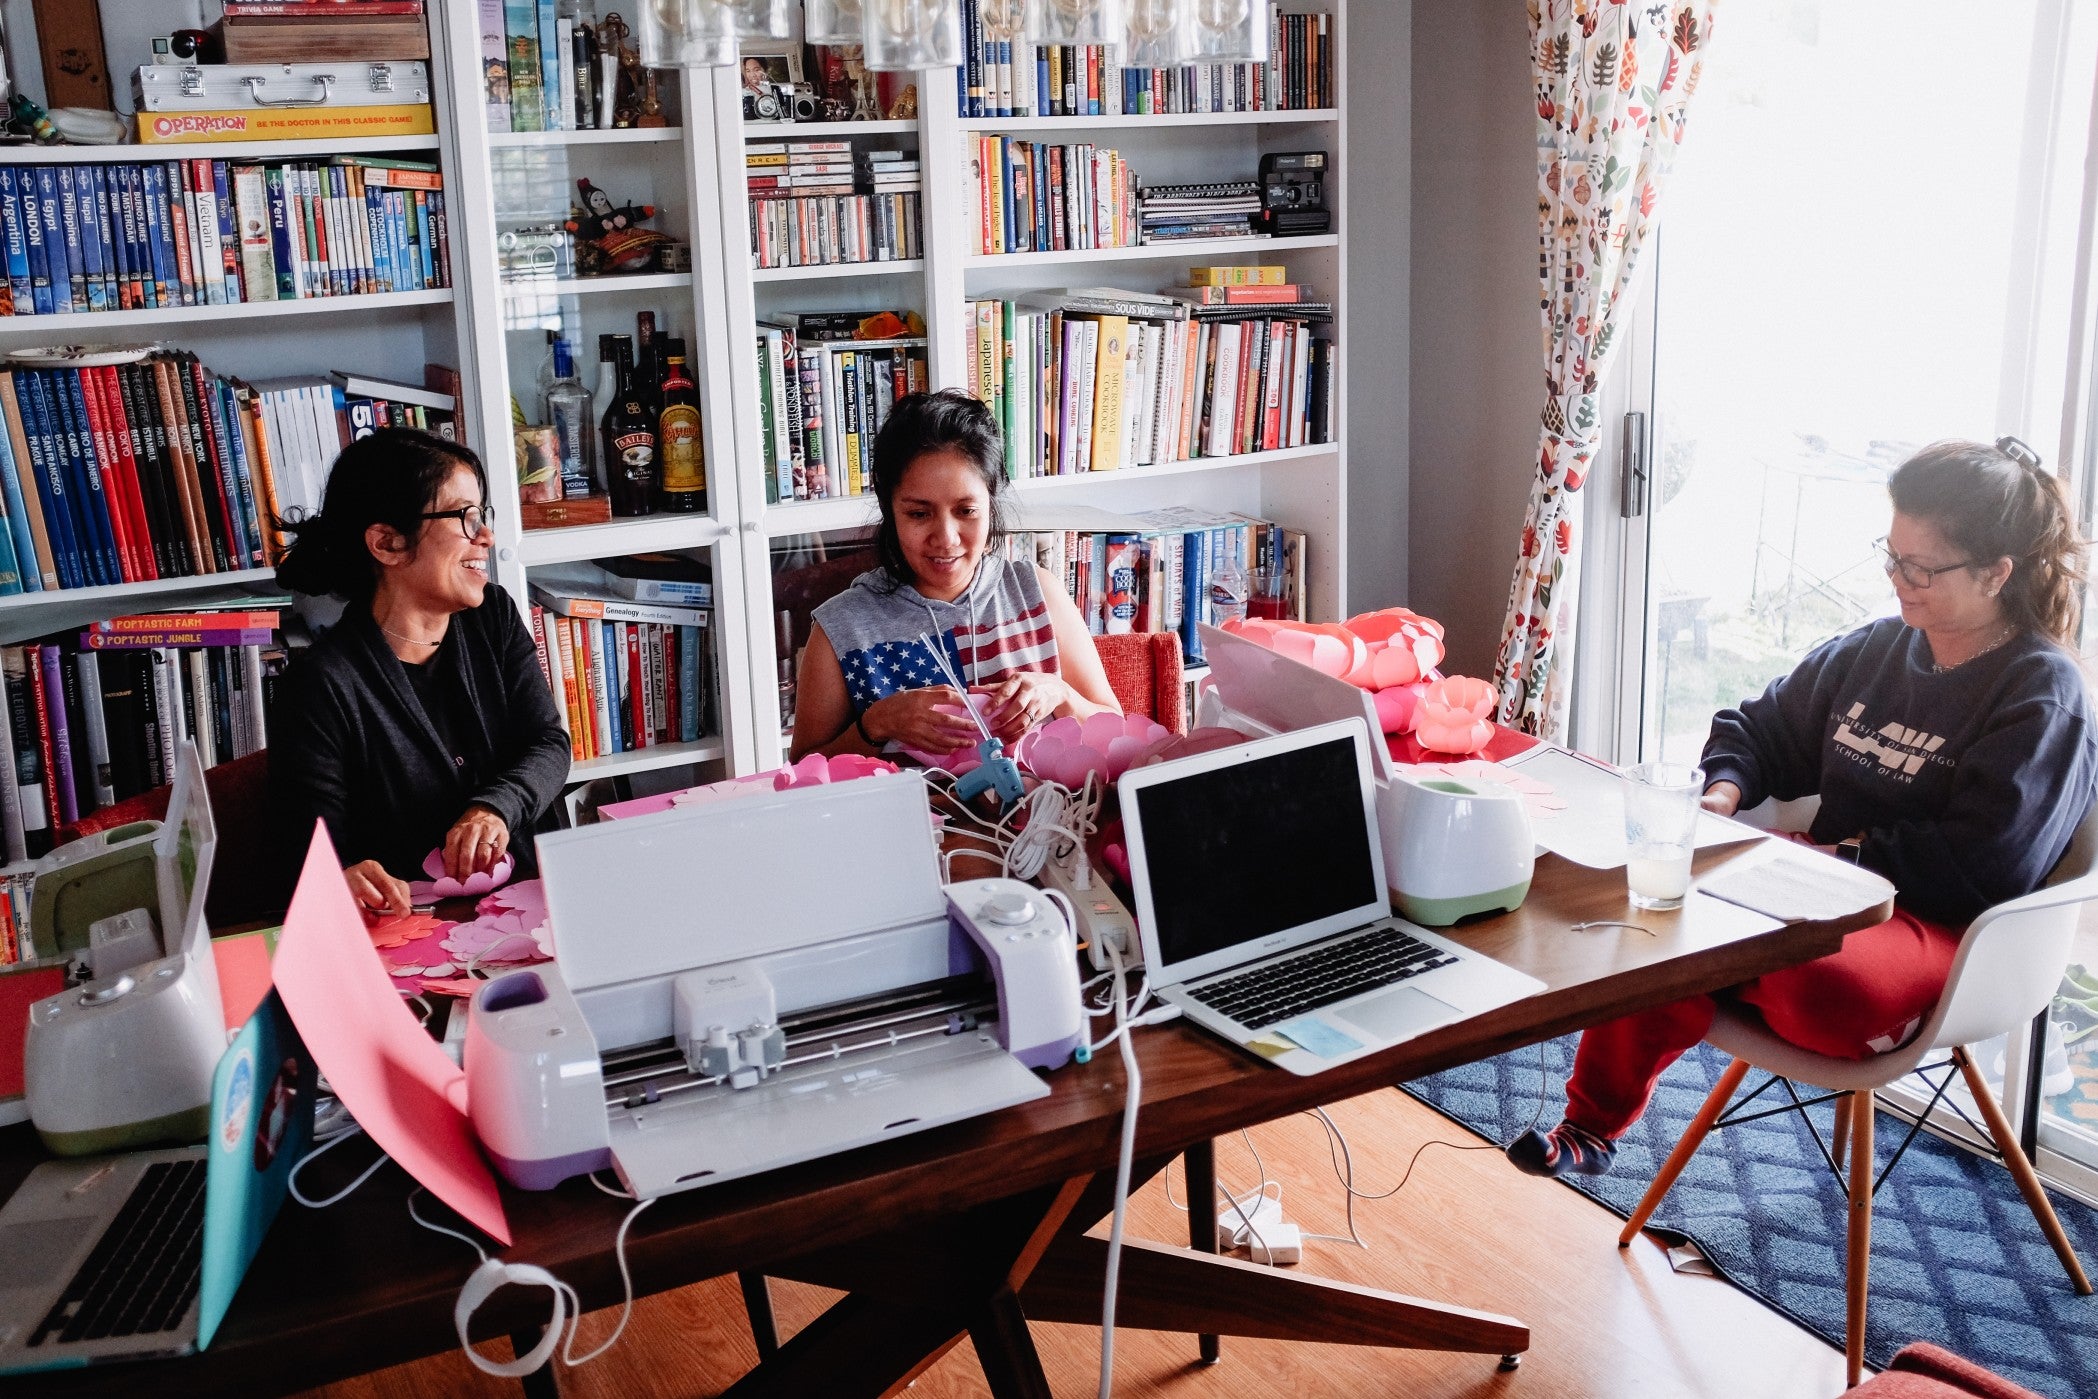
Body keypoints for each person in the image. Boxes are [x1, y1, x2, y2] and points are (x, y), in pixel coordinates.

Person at [1510, 437, 2097, 1178]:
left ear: (1997, 574)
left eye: (1919, 567)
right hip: (1810, 889)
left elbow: (1983, 863)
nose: (1896, 580)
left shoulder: (2041, 694)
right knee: (1656, 909)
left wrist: (1842, 856)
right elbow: (1756, 729)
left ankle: (1706, 969)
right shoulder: (1879, 648)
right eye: (1891, 554)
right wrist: (1721, 793)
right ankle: (1589, 1124)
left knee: (1805, 984)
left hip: (1939, 926)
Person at [269, 430, 570, 917]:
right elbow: (311, 854)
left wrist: (494, 806)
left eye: (482, 514)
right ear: (387, 544)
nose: (487, 537)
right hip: (412, 930)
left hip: (533, 903)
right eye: (464, 518)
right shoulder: (322, 685)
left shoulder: (492, 615)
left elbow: (547, 743)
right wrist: (346, 877)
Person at [792, 390, 1122, 762]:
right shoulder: (841, 628)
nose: (946, 539)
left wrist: (1060, 693)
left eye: (966, 511)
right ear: (889, 509)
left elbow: (1114, 727)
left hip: (1046, 816)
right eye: (919, 514)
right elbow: (803, 773)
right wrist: (876, 724)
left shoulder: (1038, 592)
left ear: (991, 502)